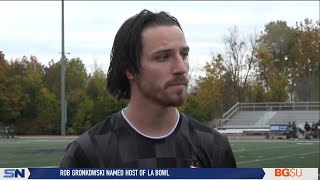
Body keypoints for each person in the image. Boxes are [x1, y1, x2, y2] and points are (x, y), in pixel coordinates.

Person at [60, 9, 236, 168]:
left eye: (183, 54)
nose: (181, 67)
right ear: (130, 70)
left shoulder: (214, 147)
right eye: (163, 57)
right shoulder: (88, 154)